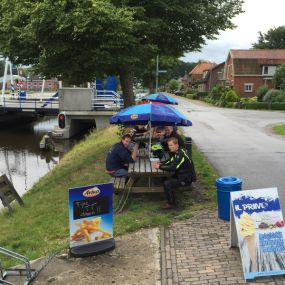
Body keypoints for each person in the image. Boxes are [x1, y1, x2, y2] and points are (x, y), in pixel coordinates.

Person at [154, 137, 196, 209]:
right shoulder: (178, 151)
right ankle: (168, 197)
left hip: (187, 179)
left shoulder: (181, 154)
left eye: (171, 145)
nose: (169, 147)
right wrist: (161, 163)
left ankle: (171, 204)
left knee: (167, 183)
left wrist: (159, 167)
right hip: (181, 175)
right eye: (169, 145)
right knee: (164, 178)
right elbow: (171, 160)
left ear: (177, 145)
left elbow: (173, 167)